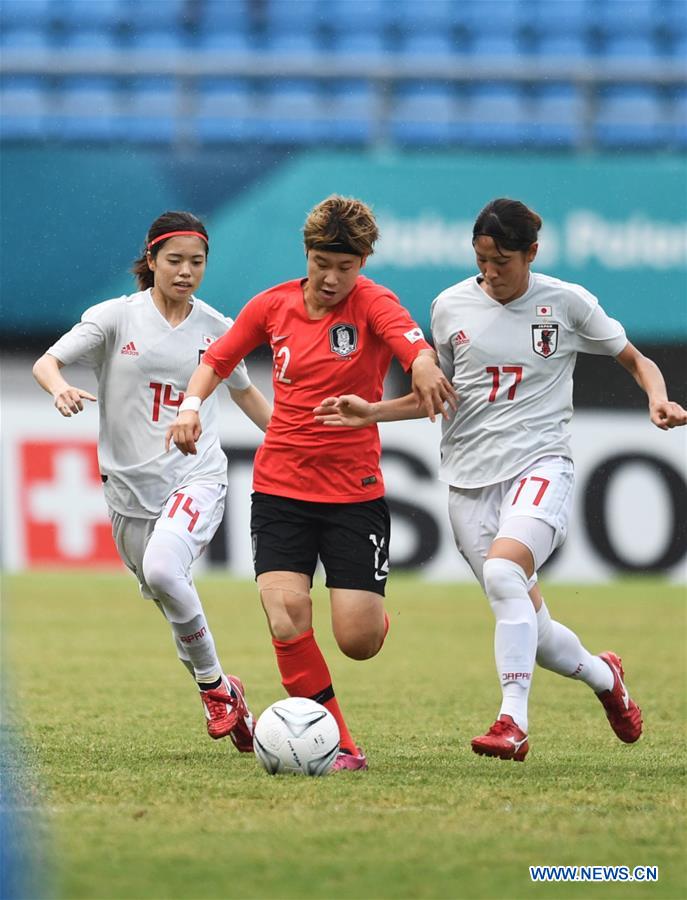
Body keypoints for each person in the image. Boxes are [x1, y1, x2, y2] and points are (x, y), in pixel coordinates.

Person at [314, 197, 687, 762]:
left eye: (502, 261)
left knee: (504, 570)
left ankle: (512, 721)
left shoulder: (566, 303)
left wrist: (657, 399)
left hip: (541, 464)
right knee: (529, 627)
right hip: (468, 481)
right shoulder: (448, 307)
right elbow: (435, 397)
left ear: (531, 254)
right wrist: (372, 411)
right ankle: (605, 677)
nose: (489, 271)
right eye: (481, 258)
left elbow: (637, 359)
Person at [166, 195, 456, 771]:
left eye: (345, 267)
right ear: (307, 253)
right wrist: (191, 405)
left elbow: (413, 348)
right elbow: (217, 359)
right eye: (322, 262)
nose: (331, 277)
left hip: (354, 496)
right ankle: (343, 746)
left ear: (364, 262)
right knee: (286, 616)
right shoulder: (272, 306)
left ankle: (370, 615)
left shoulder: (376, 304)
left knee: (358, 641)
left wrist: (421, 365)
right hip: (279, 493)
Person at [32, 211, 272, 751]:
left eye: (197, 261)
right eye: (175, 260)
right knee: (171, 599)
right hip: (126, 494)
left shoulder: (216, 326)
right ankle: (228, 693)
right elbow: (48, 363)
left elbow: (246, 395)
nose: (186, 271)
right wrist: (58, 388)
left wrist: (293, 441)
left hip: (195, 476)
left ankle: (214, 691)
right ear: (151, 259)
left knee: (166, 569)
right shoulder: (116, 318)